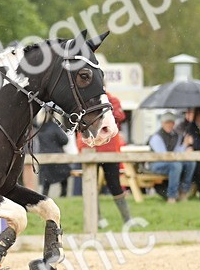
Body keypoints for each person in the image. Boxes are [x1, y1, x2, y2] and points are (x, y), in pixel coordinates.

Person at [78, 92, 132, 226]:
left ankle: (127, 219)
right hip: (90, 148)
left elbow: (120, 116)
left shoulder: (111, 99)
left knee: (114, 185)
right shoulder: (85, 100)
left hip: (109, 149)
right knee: (91, 186)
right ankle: (96, 219)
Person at [147, 111, 195, 203]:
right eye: (167, 122)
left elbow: (176, 152)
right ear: (162, 123)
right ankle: (172, 197)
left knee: (191, 163)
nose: (169, 125)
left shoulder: (176, 135)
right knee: (176, 165)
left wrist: (185, 146)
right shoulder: (156, 137)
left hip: (171, 161)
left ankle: (183, 193)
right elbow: (164, 156)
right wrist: (183, 147)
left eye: (171, 122)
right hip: (156, 164)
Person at [34, 116, 70, 198]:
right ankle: (63, 194)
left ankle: (44, 196)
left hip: (43, 157)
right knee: (64, 175)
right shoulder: (54, 127)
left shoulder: (40, 128)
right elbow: (65, 140)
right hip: (57, 157)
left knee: (46, 181)